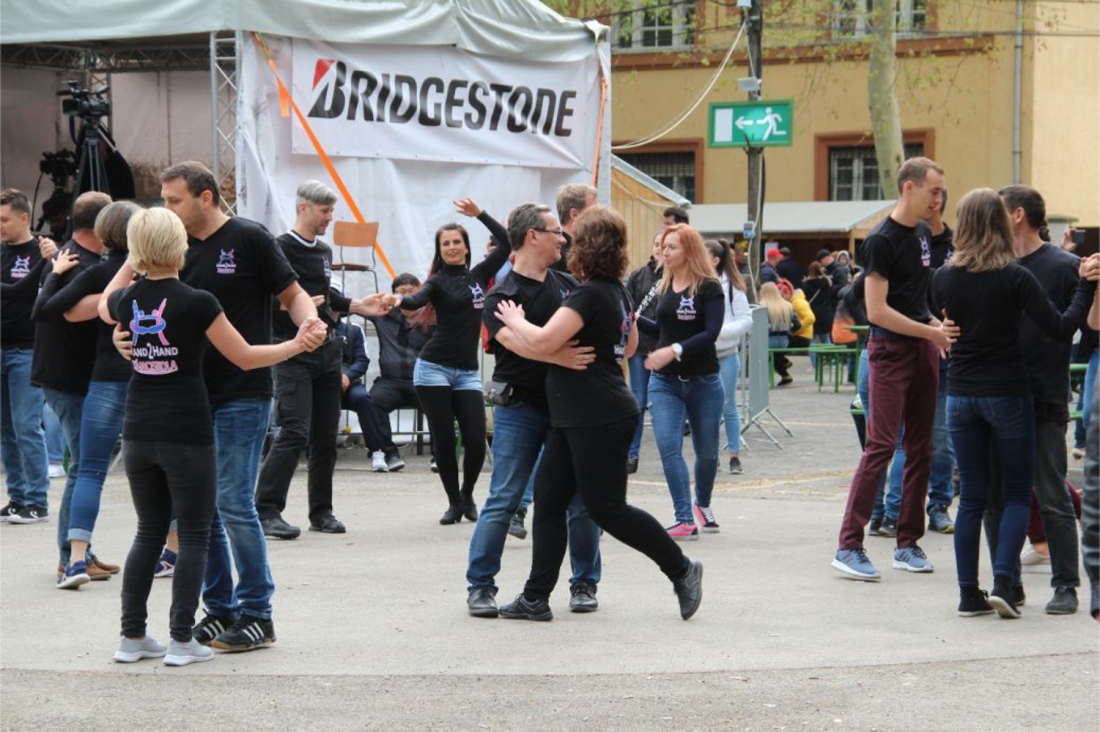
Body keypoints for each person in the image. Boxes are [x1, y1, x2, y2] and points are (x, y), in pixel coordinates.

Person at [99, 206, 326, 666]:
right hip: (186, 430)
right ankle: (182, 638)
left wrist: (134, 261)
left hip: (138, 431)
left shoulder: (127, 300)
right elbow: (243, 356)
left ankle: (132, 636)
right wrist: (294, 346)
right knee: (198, 533)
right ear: (180, 246)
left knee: (149, 533)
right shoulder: (197, 301)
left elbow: (106, 303)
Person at [492, 206, 703, 621]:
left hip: (596, 415)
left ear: (586, 246)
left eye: (573, 239)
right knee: (549, 503)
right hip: (579, 413)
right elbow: (629, 347)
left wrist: (515, 319)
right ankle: (535, 597)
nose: (566, 243)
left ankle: (682, 569)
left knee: (607, 508)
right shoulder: (615, 290)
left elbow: (545, 341)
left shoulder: (589, 294)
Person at [930, 188, 1097, 618]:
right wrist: (1085, 287)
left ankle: (1006, 590)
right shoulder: (1010, 274)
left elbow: (939, 315)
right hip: (1007, 394)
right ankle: (1007, 582)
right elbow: (1062, 326)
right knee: (1006, 497)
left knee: (1015, 496)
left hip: (994, 395)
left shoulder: (948, 275)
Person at [465, 202, 601, 619]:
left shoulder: (568, 285)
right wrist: (558, 356)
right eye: (556, 231)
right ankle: (480, 587)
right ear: (532, 236)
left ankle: (584, 583)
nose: (563, 238)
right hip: (520, 409)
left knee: (579, 501)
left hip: (568, 410)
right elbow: (518, 344)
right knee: (505, 498)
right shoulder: (501, 295)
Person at [832, 157, 955, 581]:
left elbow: (915, 301)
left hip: (922, 348)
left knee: (922, 447)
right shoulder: (880, 240)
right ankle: (849, 545)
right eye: (934, 192)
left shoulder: (922, 233)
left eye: (941, 193)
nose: (939, 200)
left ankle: (907, 543)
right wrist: (930, 331)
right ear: (909, 187)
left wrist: (935, 326)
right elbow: (877, 311)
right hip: (889, 351)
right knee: (882, 446)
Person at [981, 185, 1099, 615]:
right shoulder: (991, 265)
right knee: (994, 496)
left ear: (1016, 215)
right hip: (995, 396)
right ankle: (1006, 582)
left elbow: (1091, 329)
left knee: (1051, 495)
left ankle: (1066, 584)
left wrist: (1095, 287)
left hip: (1044, 394)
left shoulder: (1064, 266)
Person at [255, 181, 389, 539]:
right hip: (293, 351)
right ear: (303, 208)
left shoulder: (325, 251)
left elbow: (326, 297)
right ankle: (266, 510)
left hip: (329, 352)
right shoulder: (278, 247)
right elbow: (263, 296)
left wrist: (359, 305)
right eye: (325, 211)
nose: (330, 217)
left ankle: (321, 512)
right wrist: (289, 305)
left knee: (325, 436)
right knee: (294, 432)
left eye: (331, 210)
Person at [32, 201, 140, 589]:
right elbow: (48, 310)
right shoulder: (77, 263)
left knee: (86, 467)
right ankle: (70, 558)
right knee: (85, 468)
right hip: (71, 380)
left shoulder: (85, 264)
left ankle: (80, 554)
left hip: (84, 379)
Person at [391, 199, 510, 524]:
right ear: (439, 250)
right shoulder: (436, 282)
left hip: (467, 373)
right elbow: (414, 300)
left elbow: (506, 243)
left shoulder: (479, 275)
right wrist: (397, 299)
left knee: (475, 440)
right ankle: (453, 502)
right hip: (433, 369)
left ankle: (467, 494)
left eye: (457, 241)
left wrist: (480, 214)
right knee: (444, 439)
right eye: (446, 244)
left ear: (466, 247)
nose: (452, 247)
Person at [637, 224, 724, 540]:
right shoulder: (664, 285)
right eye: (662, 247)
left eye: (671, 247)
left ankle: (703, 502)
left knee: (708, 452)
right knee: (668, 447)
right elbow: (662, 331)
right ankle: (684, 518)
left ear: (689, 250)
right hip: (665, 383)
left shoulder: (709, 287)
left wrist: (673, 350)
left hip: (704, 381)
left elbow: (710, 333)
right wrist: (633, 320)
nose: (664, 252)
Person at [1, 189, 52, 524]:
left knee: (26, 427)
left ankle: (37, 500)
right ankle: (17, 497)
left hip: (26, 351)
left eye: (3, 219)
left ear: (24, 218)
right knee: (5, 431)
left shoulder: (43, 251)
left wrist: (52, 258)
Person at [365, 273, 434, 471]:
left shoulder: (432, 317)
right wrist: (375, 300)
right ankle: (390, 453)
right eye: (401, 292)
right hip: (391, 381)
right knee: (372, 402)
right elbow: (354, 308)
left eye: (411, 291)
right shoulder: (383, 314)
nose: (406, 296)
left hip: (422, 379)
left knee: (439, 402)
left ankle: (440, 456)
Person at [706, 239, 752, 475]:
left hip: (726, 354)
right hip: (702, 355)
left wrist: (718, 332)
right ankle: (710, 455)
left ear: (715, 260)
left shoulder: (732, 285)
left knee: (728, 405)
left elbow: (746, 320)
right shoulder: (694, 282)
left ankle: (734, 455)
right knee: (707, 409)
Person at [333, 308, 394, 472]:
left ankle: (377, 452)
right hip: (322, 382)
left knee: (364, 399)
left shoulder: (353, 329)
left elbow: (362, 359)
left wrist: (348, 376)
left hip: (350, 382)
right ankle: (315, 453)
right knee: (316, 403)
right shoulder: (313, 327)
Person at [624, 230, 664, 474]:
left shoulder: (678, 276)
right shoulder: (638, 275)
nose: (660, 248)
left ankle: (669, 453)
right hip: (640, 348)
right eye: (656, 244)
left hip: (666, 349)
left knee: (664, 404)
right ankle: (631, 454)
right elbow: (627, 306)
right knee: (637, 402)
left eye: (664, 244)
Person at [550, 183, 598, 274]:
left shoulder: (585, 250)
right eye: (593, 212)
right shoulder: (557, 255)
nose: (599, 217)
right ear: (574, 214)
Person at [759, 281, 799, 386]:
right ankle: (785, 370)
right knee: (776, 357)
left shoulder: (761, 307)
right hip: (784, 340)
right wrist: (790, 331)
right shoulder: (788, 306)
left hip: (768, 339)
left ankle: (766, 381)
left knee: (766, 358)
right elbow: (798, 324)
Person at [802, 260, 835, 370]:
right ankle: (830, 363)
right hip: (826, 313)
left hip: (812, 313)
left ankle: (814, 366)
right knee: (826, 339)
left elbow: (805, 298)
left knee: (812, 341)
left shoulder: (806, 284)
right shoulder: (827, 282)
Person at [777, 277, 815, 349]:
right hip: (801, 336)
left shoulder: (797, 302)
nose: (781, 299)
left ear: (788, 293)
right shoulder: (793, 302)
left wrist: (795, 330)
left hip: (802, 336)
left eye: (782, 296)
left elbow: (810, 318)